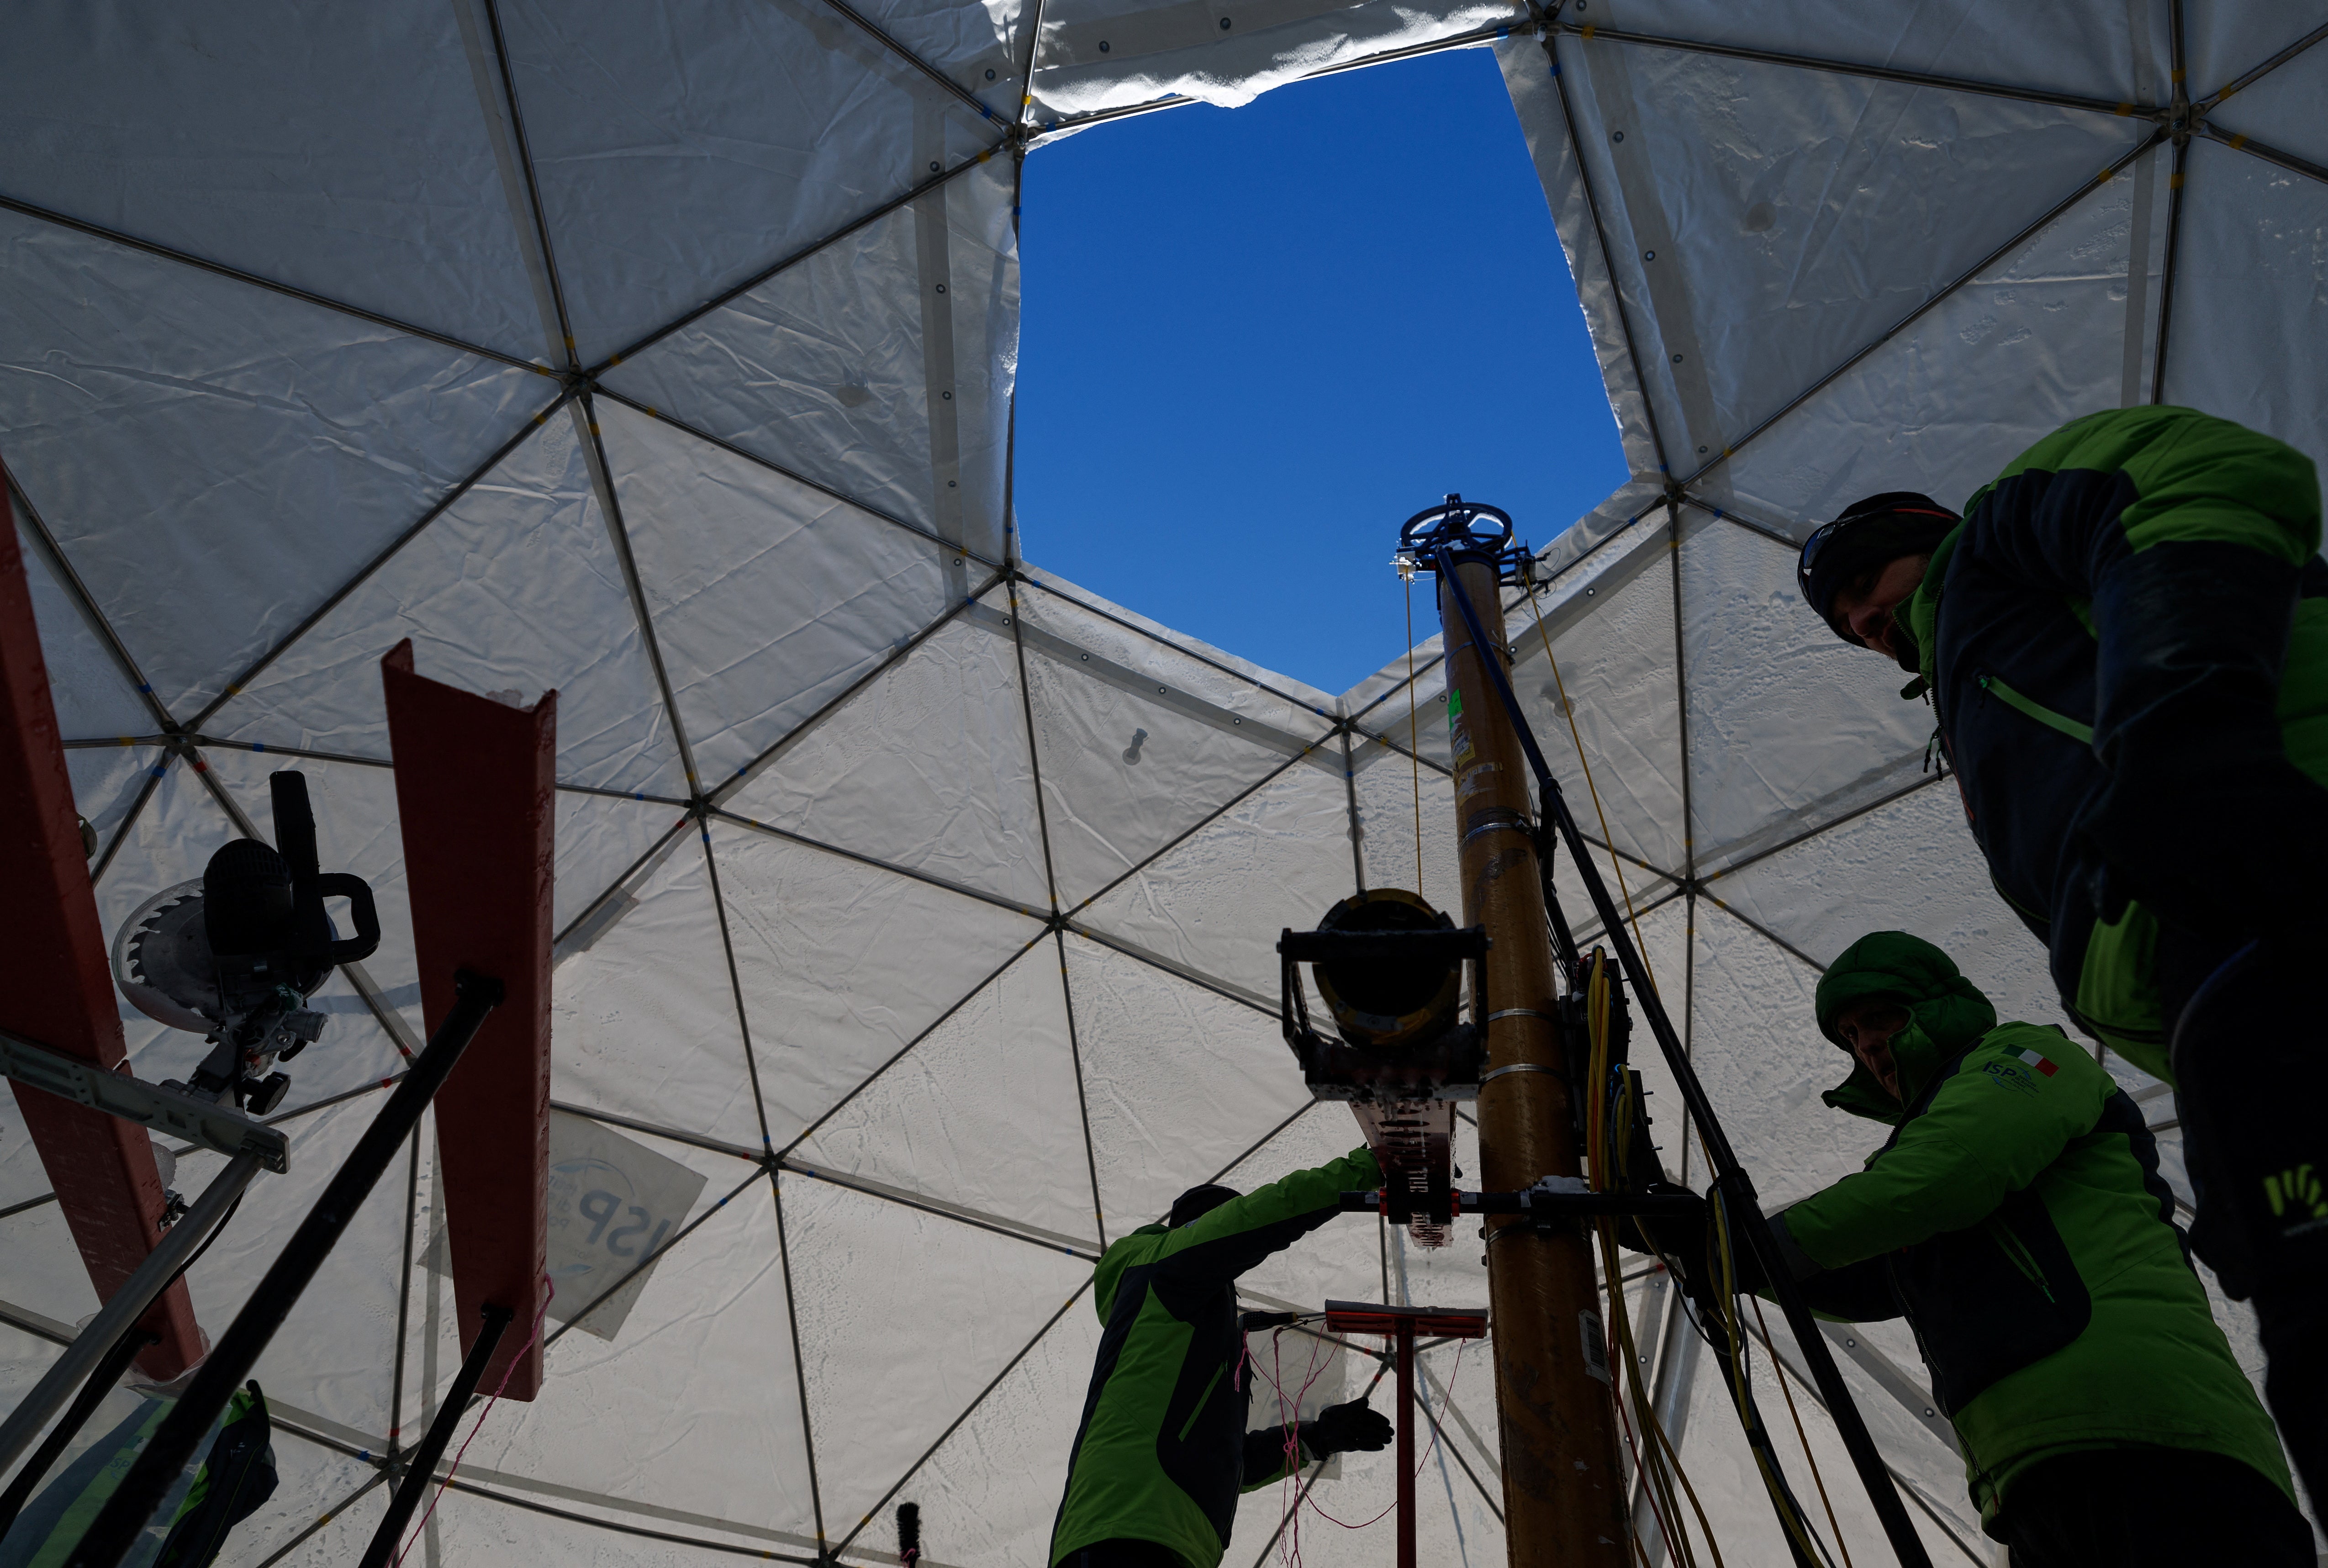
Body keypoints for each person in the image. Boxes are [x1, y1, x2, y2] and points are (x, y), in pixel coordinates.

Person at [1794, 405, 2328, 1502]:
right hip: (2212, 977)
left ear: (1928, 531)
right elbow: (1899, 1253)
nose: (1860, 620)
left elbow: (2197, 467)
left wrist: (2189, 722)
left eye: (1863, 580)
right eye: (1845, 621)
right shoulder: (1986, 698)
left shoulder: (1998, 548)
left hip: (2270, 874)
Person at [1672, 931, 2307, 1565]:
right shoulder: (1909, 1166)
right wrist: (1707, 1247)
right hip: (2030, 1477)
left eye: (1880, 1018)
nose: (1864, 1044)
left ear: (1936, 1005)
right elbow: (1867, 1274)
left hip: (2162, 1442)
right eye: (1849, 1035)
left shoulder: (2028, 1057)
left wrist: (1736, 1245)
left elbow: (1950, 1172)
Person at [1049, 1148, 1395, 1568]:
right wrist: (1374, 1166)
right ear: (1200, 1230)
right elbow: (1261, 1215)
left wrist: (1316, 1437)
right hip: (1126, 1532)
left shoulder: (1186, 1321)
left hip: (1167, 1538)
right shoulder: (1166, 1271)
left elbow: (1222, 1463)